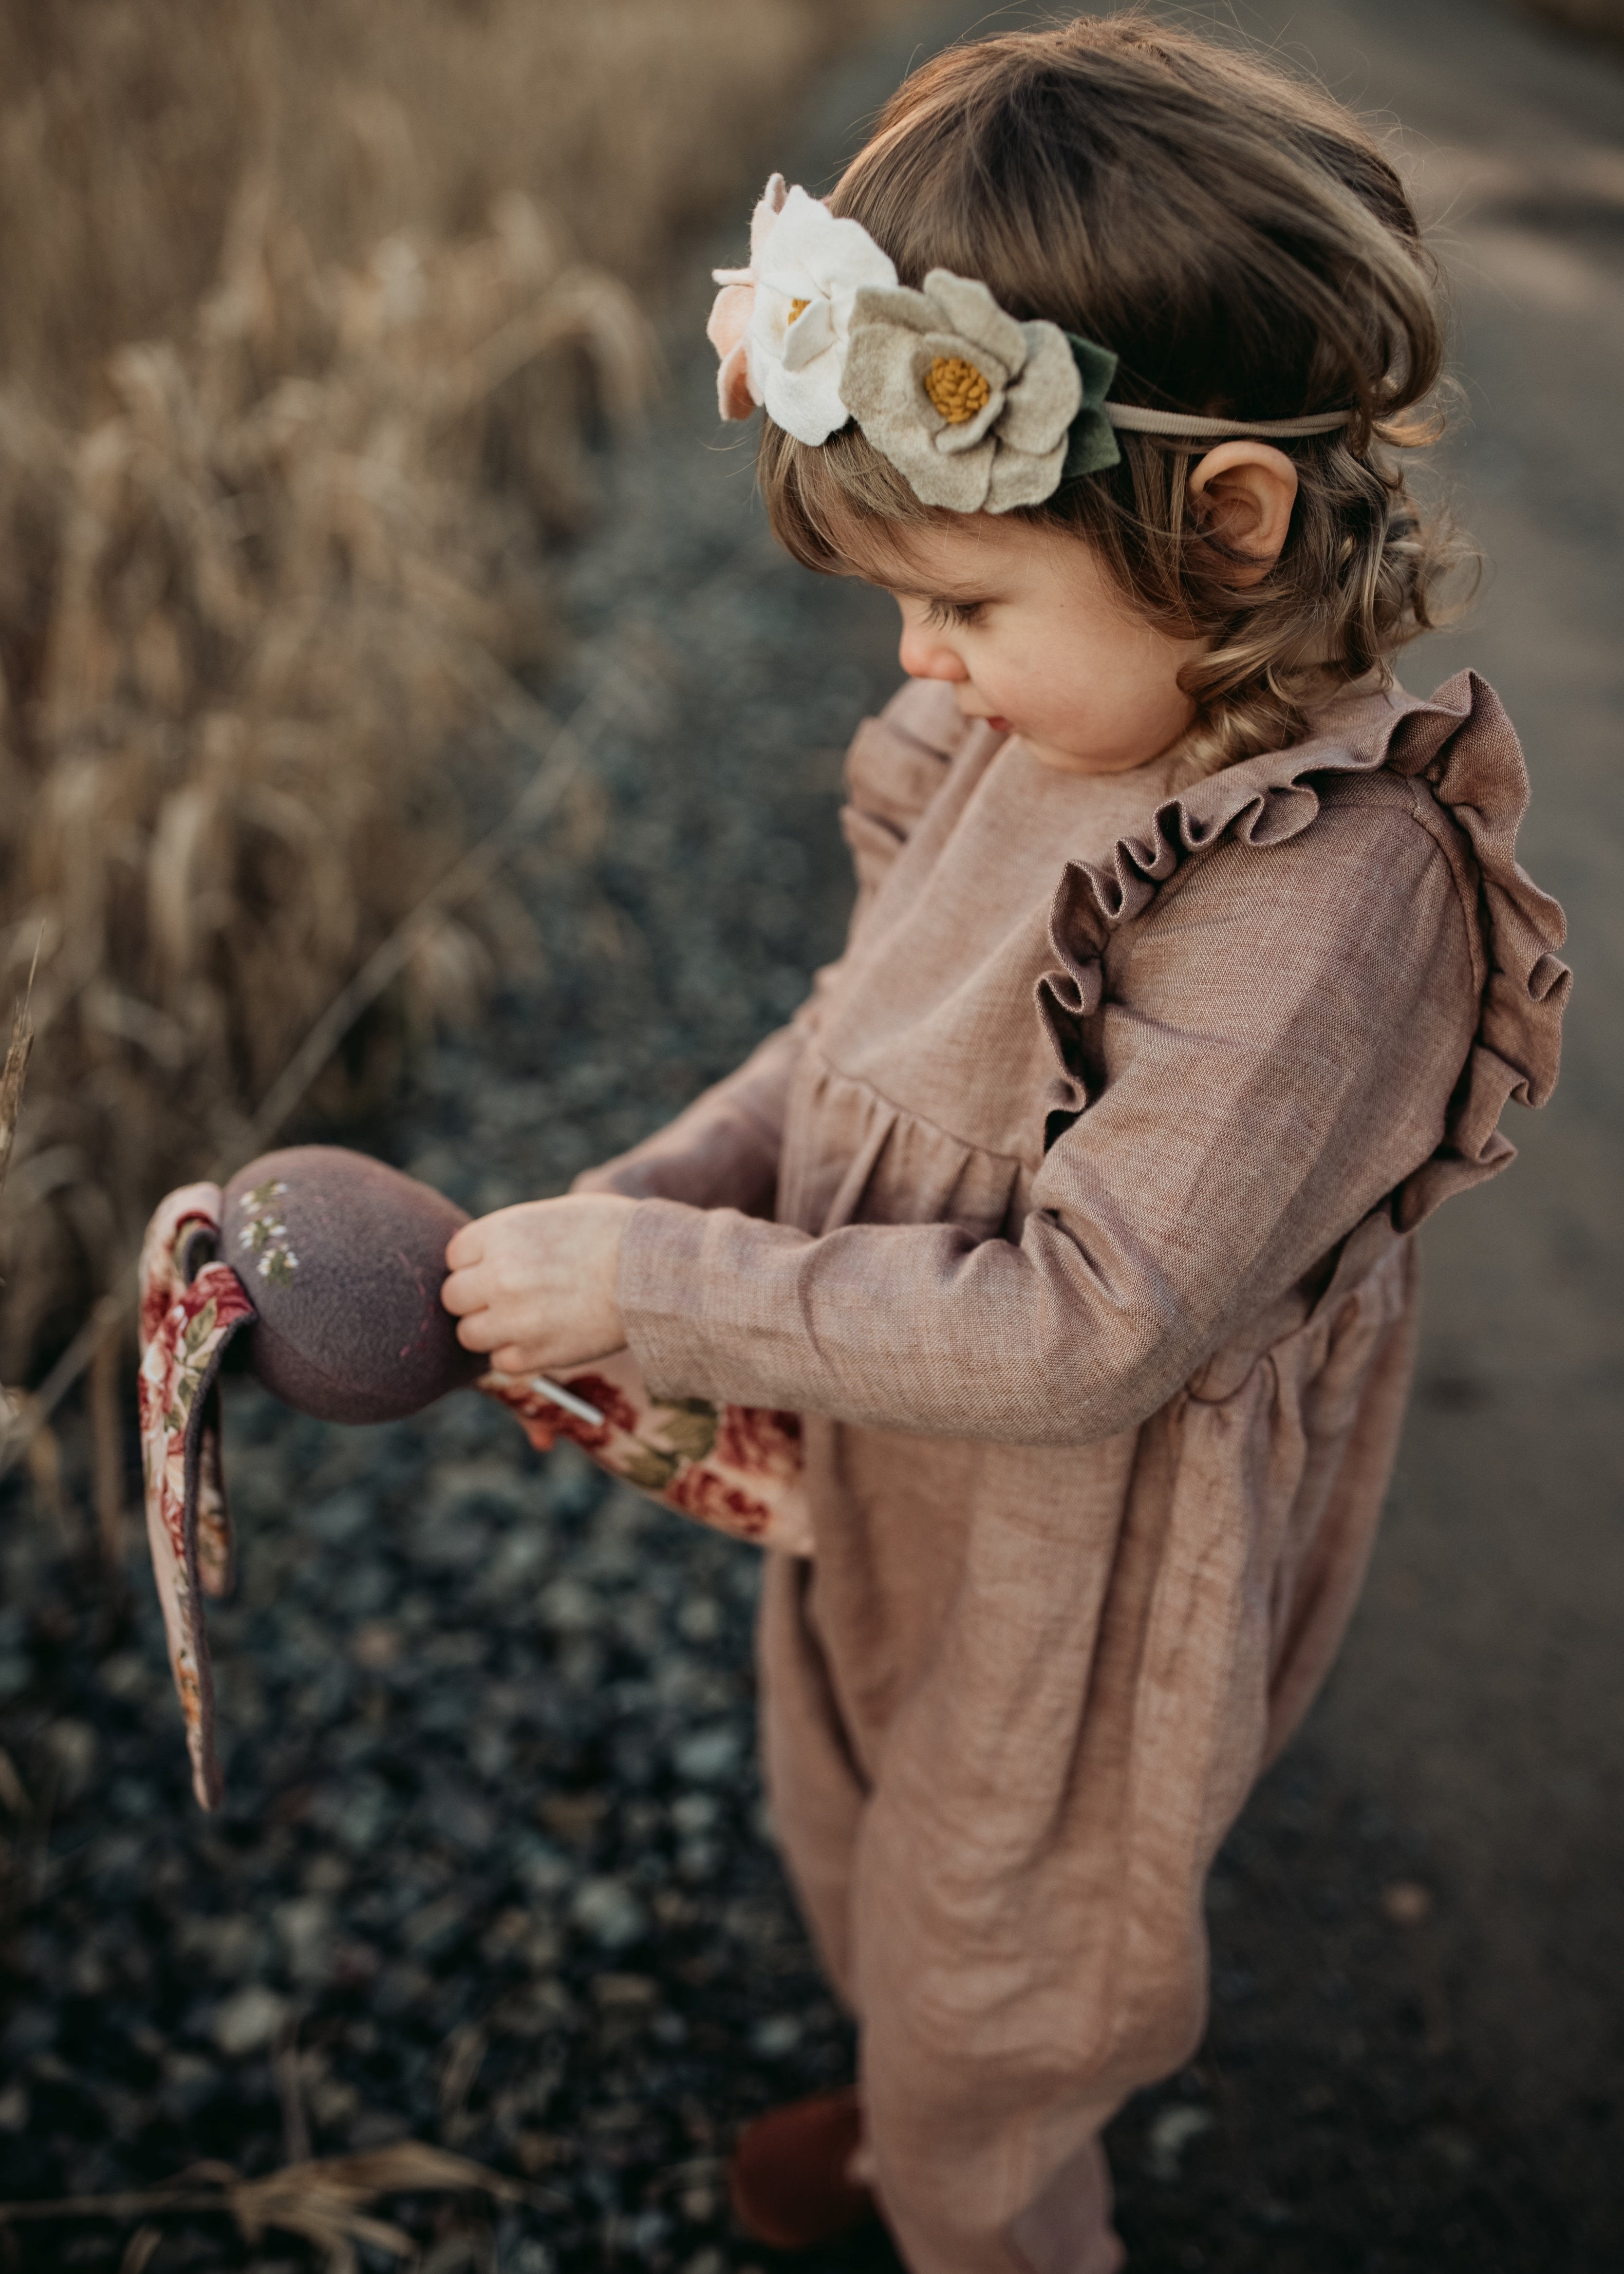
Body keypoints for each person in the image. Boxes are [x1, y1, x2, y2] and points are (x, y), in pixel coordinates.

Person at [440, 18, 1569, 2272]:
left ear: (1230, 525)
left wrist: (666, 1299)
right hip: (888, 1456)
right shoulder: (1040, 720)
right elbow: (849, 1041)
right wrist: (655, 1202)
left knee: (1010, 1972)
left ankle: (982, 2193)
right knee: (857, 1816)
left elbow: (1089, 1329)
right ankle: (909, 2087)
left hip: (1086, 1547)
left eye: (961, 602)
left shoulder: (1330, 896)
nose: (916, 662)